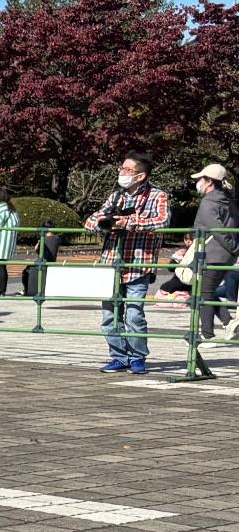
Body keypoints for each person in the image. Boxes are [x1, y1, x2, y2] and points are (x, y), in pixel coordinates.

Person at [86, 152, 170, 374]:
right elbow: (90, 221)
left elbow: (162, 221)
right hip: (111, 264)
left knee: (134, 315)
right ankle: (118, 356)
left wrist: (129, 222)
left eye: (127, 169)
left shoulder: (158, 196)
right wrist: (105, 222)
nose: (121, 172)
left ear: (140, 175)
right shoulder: (116, 197)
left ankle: (137, 357)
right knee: (109, 316)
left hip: (139, 265)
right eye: (121, 168)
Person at [159, 163, 236, 345]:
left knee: (203, 293)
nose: (198, 182)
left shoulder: (209, 202)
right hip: (223, 254)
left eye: (201, 179)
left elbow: (217, 230)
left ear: (209, 182)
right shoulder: (228, 200)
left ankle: (208, 335)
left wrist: (233, 247)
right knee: (205, 291)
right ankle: (229, 323)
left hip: (211, 253)